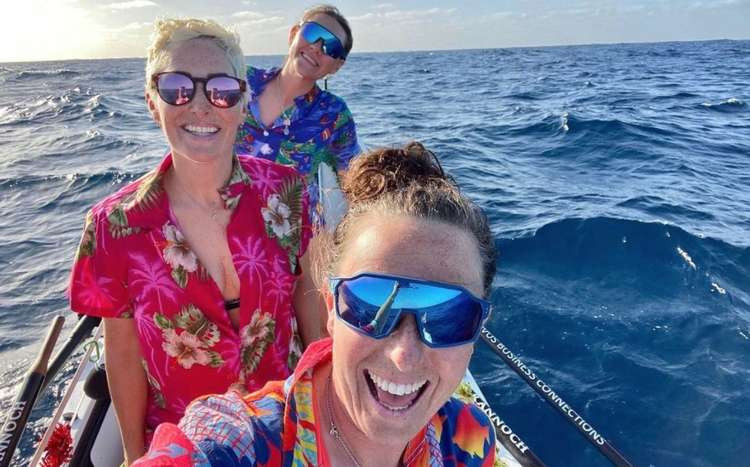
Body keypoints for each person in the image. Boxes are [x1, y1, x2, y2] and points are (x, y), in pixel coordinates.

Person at [133, 142, 498, 466]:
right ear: (331, 308)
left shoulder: (467, 441)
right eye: (371, 304)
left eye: (449, 316)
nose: (403, 354)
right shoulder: (238, 444)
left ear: (476, 330)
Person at [68, 18, 319, 464]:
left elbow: (310, 298)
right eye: (177, 88)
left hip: (286, 426)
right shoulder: (114, 225)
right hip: (185, 445)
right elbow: (123, 352)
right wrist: (134, 454)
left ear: (242, 102)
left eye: (221, 89)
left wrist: (324, 409)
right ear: (152, 102)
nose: (201, 106)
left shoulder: (289, 191)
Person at [235, 4, 360, 228]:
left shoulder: (334, 115)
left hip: (288, 247)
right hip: (216, 228)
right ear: (294, 33)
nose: (317, 48)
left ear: (337, 66)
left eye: (331, 47)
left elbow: (354, 181)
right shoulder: (239, 81)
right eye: (314, 33)